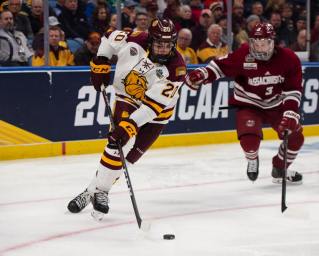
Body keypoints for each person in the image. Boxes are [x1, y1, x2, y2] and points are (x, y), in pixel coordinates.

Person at [67, 18, 186, 219]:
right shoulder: (135, 39)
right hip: (127, 99)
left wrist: (130, 125)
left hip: (157, 114)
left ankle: (91, 191)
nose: (164, 49)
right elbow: (108, 38)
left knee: (128, 160)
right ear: (150, 40)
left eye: (168, 44)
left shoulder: (177, 69)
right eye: (159, 44)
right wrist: (102, 62)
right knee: (117, 145)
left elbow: (151, 108)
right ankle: (102, 192)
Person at [185, 23, 303, 184]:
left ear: (272, 42)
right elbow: (220, 67)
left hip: (277, 105)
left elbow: (293, 90)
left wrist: (290, 113)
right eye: (256, 43)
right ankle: (252, 158)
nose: (260, 48)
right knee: (249, 141)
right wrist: (202, 74)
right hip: (249, 104)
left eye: (264, 44)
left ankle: (280, 168)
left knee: (296, 137)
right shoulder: (244, 55)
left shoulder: (289, 58)